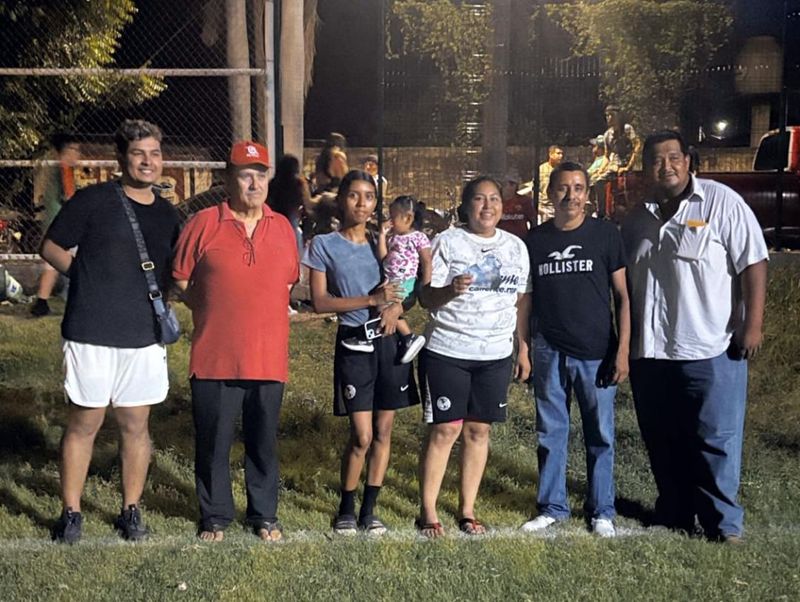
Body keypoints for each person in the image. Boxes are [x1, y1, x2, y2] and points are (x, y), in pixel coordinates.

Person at [621, 130, 768, 543]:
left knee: (715, 438)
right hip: (650, 351)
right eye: (655, 159)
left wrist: (751, 324)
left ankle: (724, 524)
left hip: (710, 346)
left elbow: (753, 262)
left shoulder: (721, 203)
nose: (665, 166)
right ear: (646, 167)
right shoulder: (635, 220)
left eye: (673, 157)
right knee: (662, 437)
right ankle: (675, 512)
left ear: (688, 161)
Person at [41, 119, 180, 543]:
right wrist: (83, 277)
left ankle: (131, 510)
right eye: (139, 153)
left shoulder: (169, 214)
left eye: (154, 153)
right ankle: (72, 513)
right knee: (85, 421)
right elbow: (50, 246)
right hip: (90, 329)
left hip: (142, 336)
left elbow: (177, 271)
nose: (147, 161)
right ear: (122, 158)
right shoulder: (94, 200)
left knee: (136, 425)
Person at [173, 141, 298, 543]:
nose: (254, 182)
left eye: (261, 174)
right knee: (214, 442)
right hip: (215, 356)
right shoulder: (203, 223)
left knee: (263, 442)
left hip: (267, 357)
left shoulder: (282, 227)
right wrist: (206, 305)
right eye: (246, 174)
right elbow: (179, 277)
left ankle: (264, 515)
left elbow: (289, 282)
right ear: (228, 179)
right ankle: (215, 516)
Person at [303, 170, 420, 536]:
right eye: (354, 196)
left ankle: (370, 510)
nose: (362, 203)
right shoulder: (323, 245)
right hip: (355, 343)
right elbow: (320, 302)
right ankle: (346, 507)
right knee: (362, 436)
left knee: (384, 432)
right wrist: (371, 300)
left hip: (389, 342)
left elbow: (406, 285)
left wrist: (396, 308)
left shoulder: (383, 243)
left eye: (369, 197)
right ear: (341, 200)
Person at [416, 175, 531, 538]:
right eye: (479, 200)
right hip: (449, 350)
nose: (487, 206)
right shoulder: (447, 243)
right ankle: (429, 511)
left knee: (479, 431)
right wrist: (450, 289)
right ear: (466, 206)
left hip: (495, 353)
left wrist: (522, 344)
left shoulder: (515, 247)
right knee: (446, 429)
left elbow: (522, 298)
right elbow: (425, 298)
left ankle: (467, 510)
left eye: (494, 199)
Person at [520, 162, 630, 538]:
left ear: (588, 194)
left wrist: (623, 350)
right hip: (549, 349)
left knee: (600, 434)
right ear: (550, 194)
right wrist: (524, 347)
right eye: (563, 188)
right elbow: (526, 300)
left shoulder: (606, 235)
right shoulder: (535, 241)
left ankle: (602, 510)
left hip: (597, 351)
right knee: (550, 432)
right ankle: (552, 506)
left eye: (579, 188)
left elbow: (623, 296)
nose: (571, 195)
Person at [341, 194, 432, 364]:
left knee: (383, 305)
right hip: (390, 281)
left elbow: (427, 260)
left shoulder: (418, 237)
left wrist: (426, 285)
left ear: (408, 218)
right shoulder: (394, 237)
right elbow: (384, 257)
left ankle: (407, 337)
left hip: (404, 282)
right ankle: (376, 337)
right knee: (378, 302)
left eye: (393, 217)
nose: (390, 221)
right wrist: (382, 236)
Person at [30, 132, 81, 317]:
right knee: (74, 260)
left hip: (53, 219)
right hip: (62, 220)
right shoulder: (64, 168)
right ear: (64, 151)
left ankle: (42, 303)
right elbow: (69, 195)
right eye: (74, 150)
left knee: (52, 265)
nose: (77, 154)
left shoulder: (55, 166)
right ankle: (70, 298)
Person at [596, 105, 641, 218]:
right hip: (614, 165)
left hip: (628, 163)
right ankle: (601, 213)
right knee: (598, 182)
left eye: (612, 115)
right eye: (607, 115)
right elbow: (606, 155)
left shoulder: (627, 129)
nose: (609, 118)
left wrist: (629, 165)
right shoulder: (607, 135)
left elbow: (637, 145)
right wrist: (600, 169)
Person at [497, 168, 536, 239]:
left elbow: (533, 221)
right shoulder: (495, 201)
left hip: (520, 240)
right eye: (505, 183)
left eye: (512, 184)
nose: (508, 186)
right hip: (500, 240)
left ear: (517, 186)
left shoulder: (524, 201)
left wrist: (532, 238)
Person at [538, 145, 564, 223]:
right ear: (551, 155)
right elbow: (535, 187)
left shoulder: (562, 170)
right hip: (545, 206)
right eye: (558, 153)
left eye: (561, 154)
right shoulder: (542, 169)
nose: (560, 156)